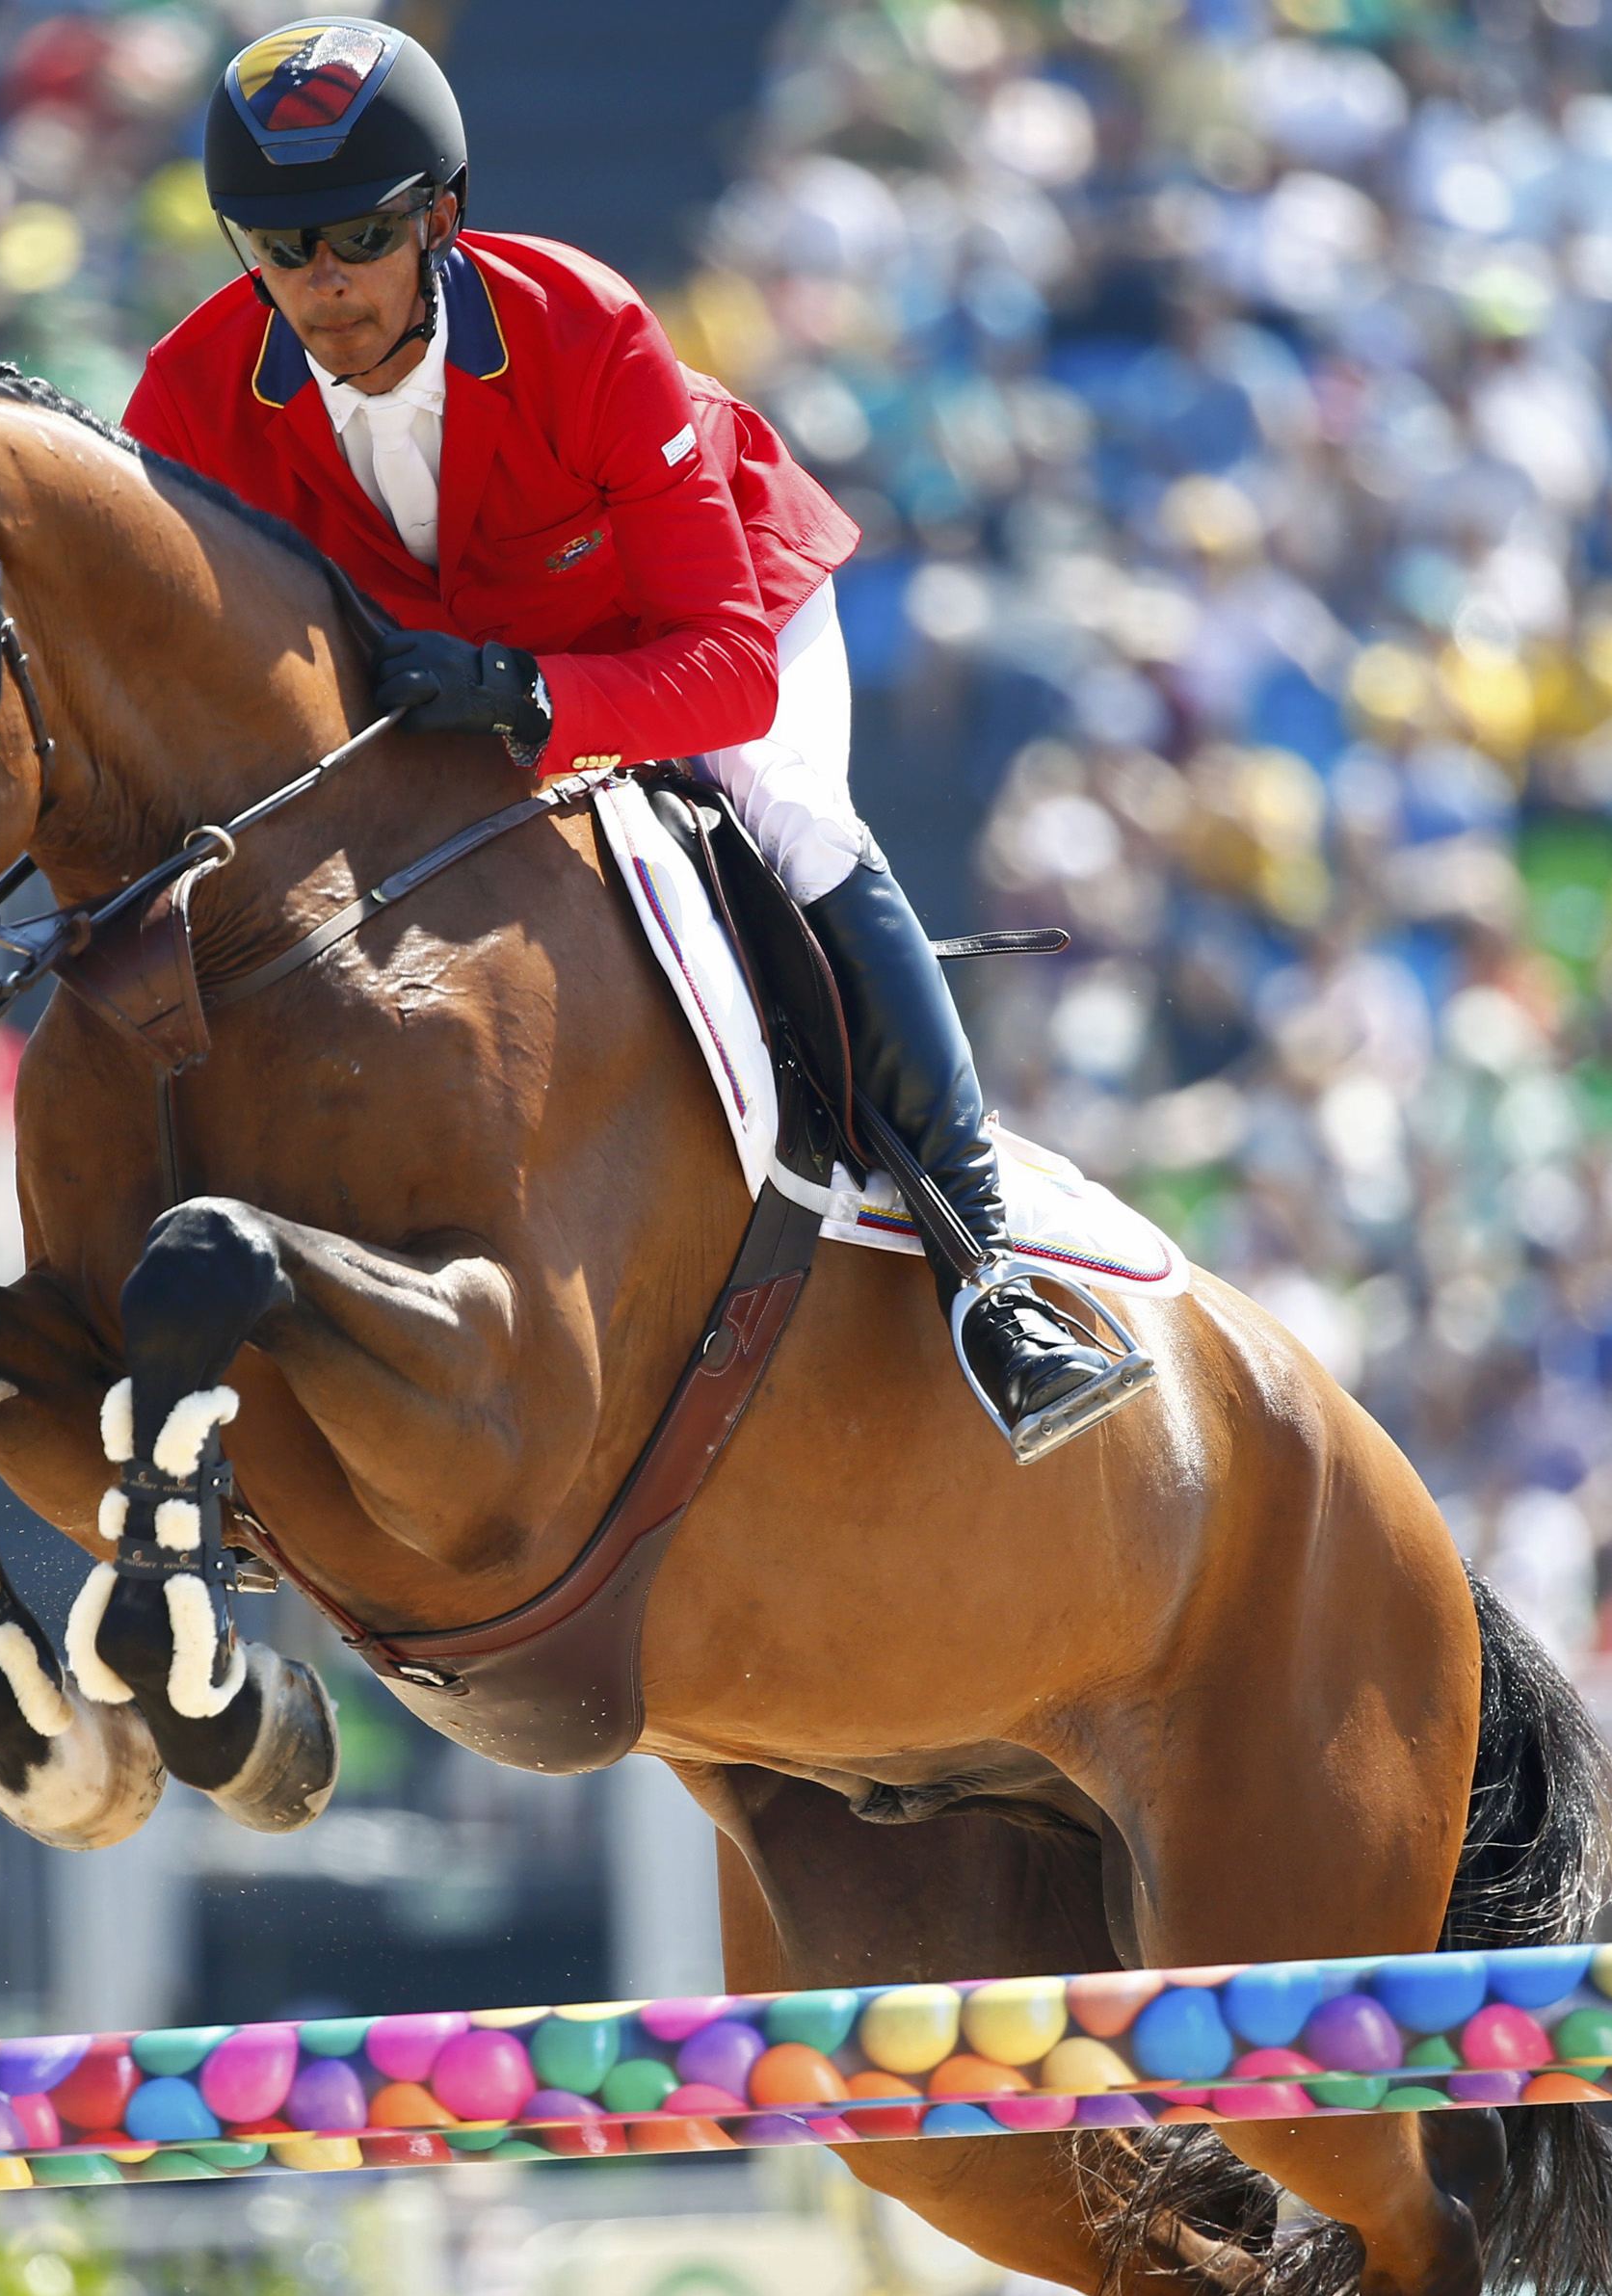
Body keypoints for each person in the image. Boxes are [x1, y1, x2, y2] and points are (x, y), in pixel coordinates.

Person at [123, 18, 1151, 1459]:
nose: (321, 285)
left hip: (699, 627)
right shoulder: (187, 398)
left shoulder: (581, 324)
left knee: (792, 823)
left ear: (440, 218)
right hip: (446, 681)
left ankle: (991, 1278)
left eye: (358, 235)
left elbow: (724, 667)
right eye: (280, 248)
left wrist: (533, 696)